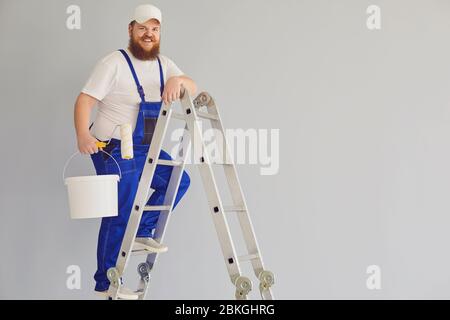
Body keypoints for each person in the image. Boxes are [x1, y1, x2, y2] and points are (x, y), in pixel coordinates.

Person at [73, 4, 197, 297]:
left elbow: (192, 86)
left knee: (179, 181)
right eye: (142, 28)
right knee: (120, 211)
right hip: (112, 149)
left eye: (154, 29)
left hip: (146, 147)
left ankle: (142, 229)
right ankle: (105, 283)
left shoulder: (164, 64)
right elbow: (84, 100)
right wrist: (81, 135)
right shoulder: (113, 63)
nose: (148, 34)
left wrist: (180, 81)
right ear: (131, 30)